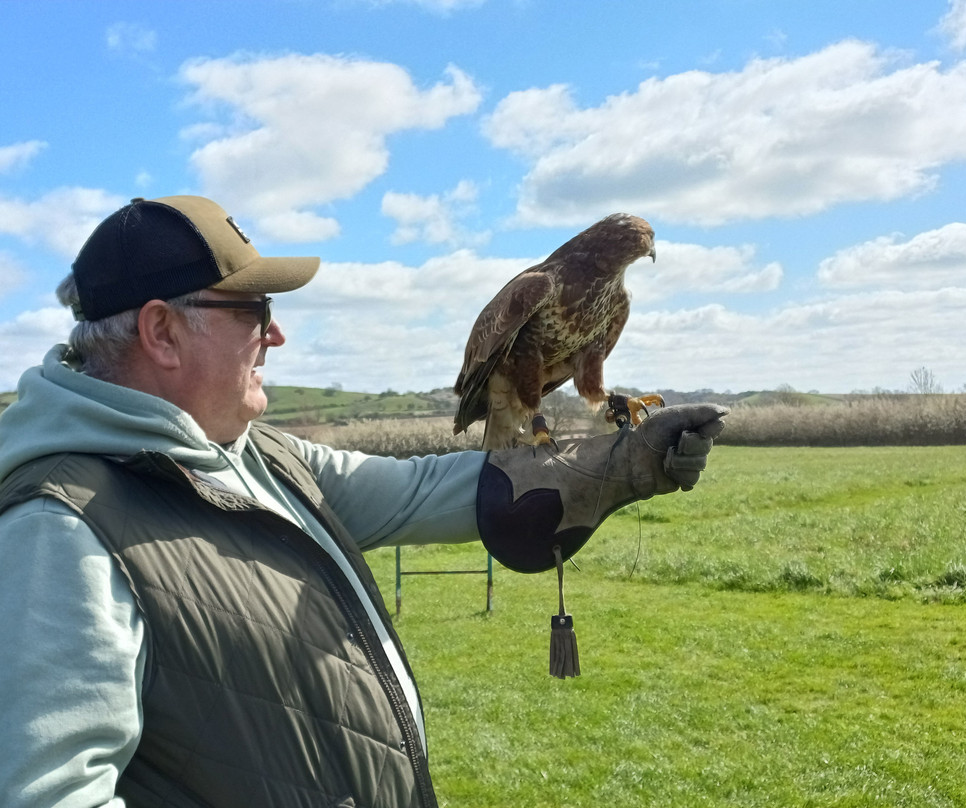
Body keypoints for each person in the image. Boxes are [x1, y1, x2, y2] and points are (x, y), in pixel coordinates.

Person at [0, 195, 727, 808]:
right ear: (162, 331)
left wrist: (614, 465)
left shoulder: (263, 458)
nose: (275, 334)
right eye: (254, 309)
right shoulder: (60, 528)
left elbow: (418, 492)